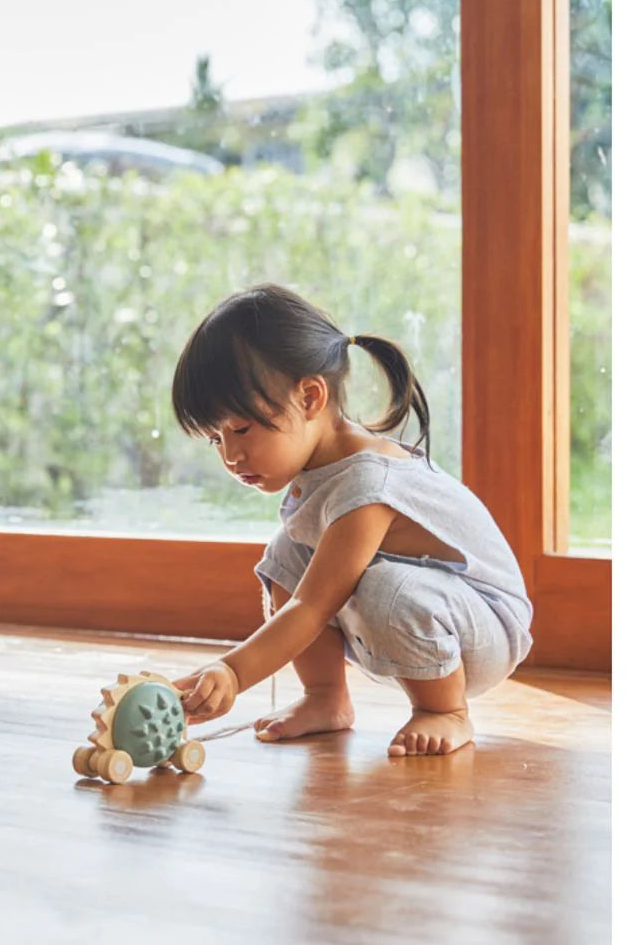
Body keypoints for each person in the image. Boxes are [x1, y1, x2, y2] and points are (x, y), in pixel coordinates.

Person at [170, 284, 533, 756]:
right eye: (215, 440)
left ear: (310, 398)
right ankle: (325, 699)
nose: (231, 455)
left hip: (485, 631)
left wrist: (233, 672)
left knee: (384, 588)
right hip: (432, 615)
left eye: (241, 429)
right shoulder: (322, 471)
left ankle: (446, 711)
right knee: (288, 552)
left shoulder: (367, 483)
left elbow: (312, 607)